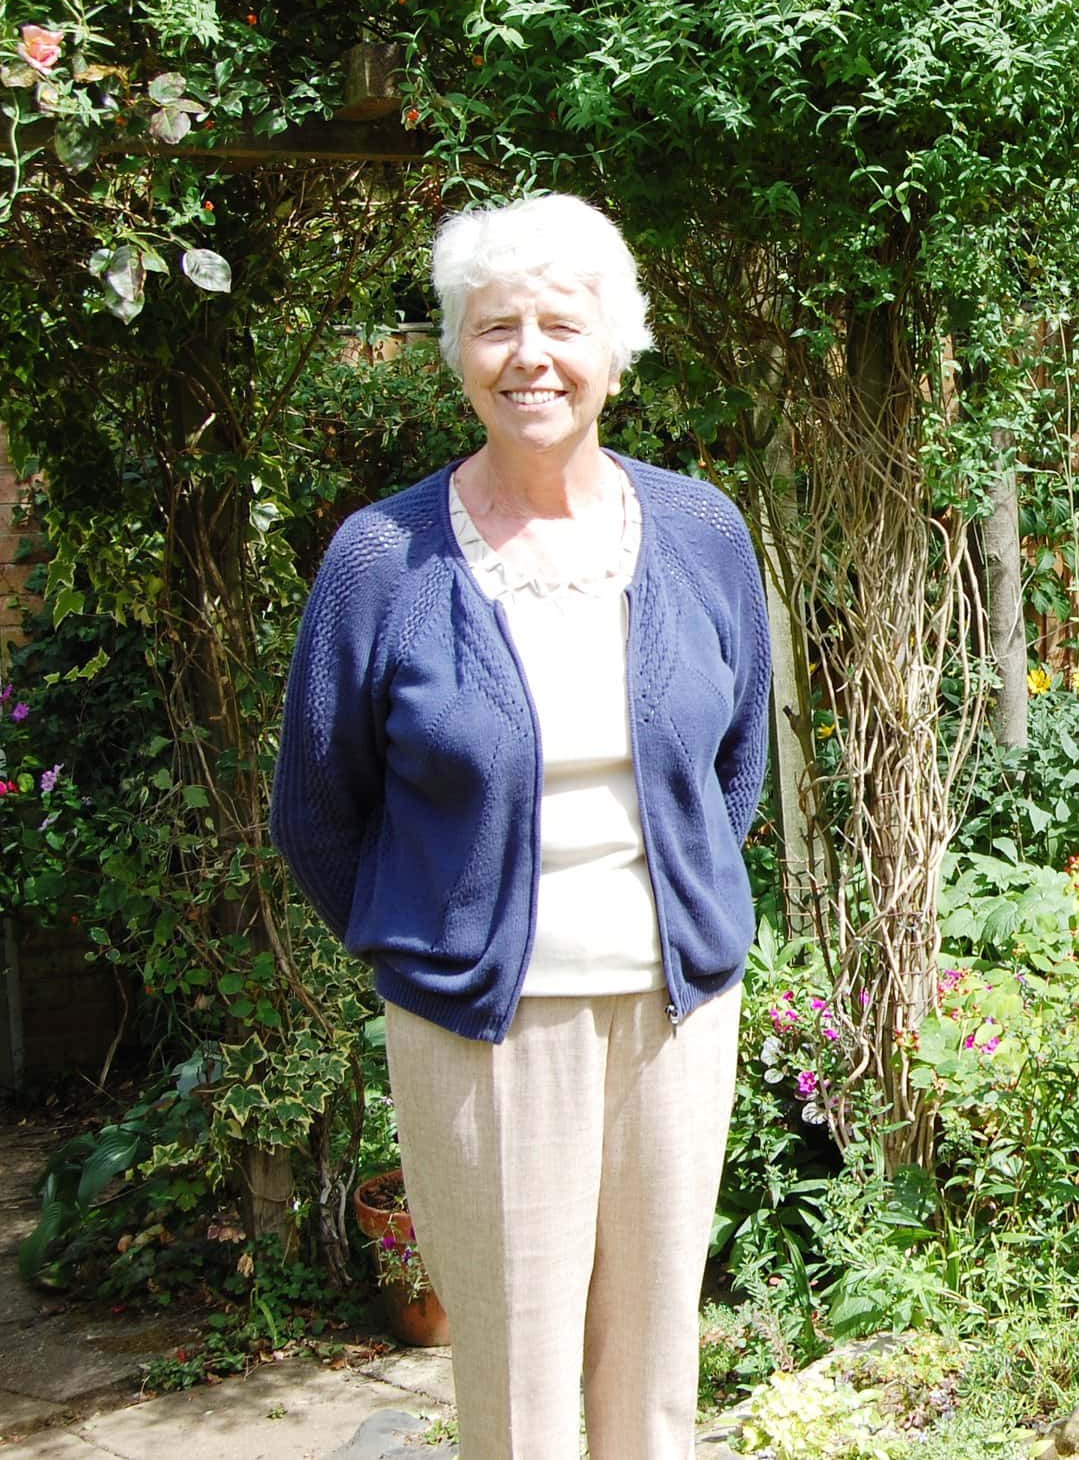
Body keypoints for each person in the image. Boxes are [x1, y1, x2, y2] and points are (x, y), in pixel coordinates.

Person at [271, 192, 771, 1458]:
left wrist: (689, 920)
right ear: (458, 354)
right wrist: (434, 944)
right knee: (514, 1375)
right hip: (479, 1024)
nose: (530, 356)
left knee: (654, 1361)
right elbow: (317, 809)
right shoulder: (380, 558)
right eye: (496, 327)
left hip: (673, 1010)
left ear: (617, 346)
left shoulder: (704, 531)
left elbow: (735, 764)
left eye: (563, 323)